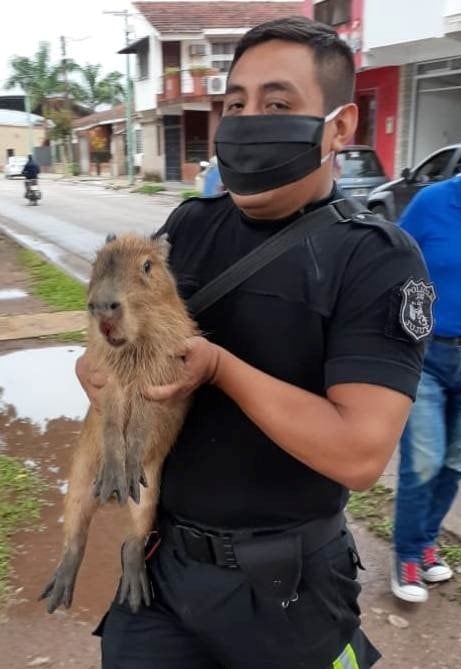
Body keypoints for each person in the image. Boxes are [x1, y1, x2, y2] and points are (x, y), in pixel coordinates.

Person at [77, 17, 432, 668]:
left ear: (339, 127)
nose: (246, 120)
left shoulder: (375, 260)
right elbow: (112, 343)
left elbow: (357, 452)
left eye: (276, 103)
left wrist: (217, 367)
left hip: (286, 590)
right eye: (234, 103)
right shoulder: (188, 225)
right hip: (159, 571)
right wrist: (103, 371)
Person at [391, 175, 461, 603]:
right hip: (428, 355)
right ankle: (407, 556)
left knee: (454, 462)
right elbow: (391, 263)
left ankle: (427, 541)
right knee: (424, 461)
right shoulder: (432, 202)